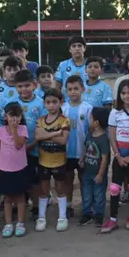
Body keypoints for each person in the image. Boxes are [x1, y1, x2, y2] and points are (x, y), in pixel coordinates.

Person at [102, 79, 129, 233]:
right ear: (119, 95)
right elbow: (113, 137)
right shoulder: (115, 112)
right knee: (115, 188)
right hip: (120, 157)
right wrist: (118, 156)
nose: (127, 96)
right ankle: (113, 219)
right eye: (123, 93)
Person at [35, 88, 70, 231]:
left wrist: (46, 134)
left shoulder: (64, 120)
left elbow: (63, 141)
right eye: (48, 102)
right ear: (44, 103)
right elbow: (37, 137)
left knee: (60, 189)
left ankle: (62, 217)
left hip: (59, 161)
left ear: (60, 102)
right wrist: (55, 133)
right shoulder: (41, 120)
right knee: (44, 190)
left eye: (54, 102)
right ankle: (41, 217)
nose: (51, 105)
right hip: (44, 161)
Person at [15, 69, 47, 221]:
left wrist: (33, 144)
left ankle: (36, 208)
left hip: (35, 148)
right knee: (18, 178)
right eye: (20, 86)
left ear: (34, 85)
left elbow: (43, 127)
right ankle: (17, 206)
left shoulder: (41, 103)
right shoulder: (13, 104)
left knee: (35, 180)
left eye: (27, 85)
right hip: (16, 149)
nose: (23, 89)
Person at [0, 103, 30, 238]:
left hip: (20, 167)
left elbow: (19, 144)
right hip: (4, 168)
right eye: (11, 116)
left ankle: (20, 223)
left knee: (20, 197)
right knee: (7, 197)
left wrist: (14, 130)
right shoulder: (0, 130)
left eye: (17, 116)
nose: (13, 119)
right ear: (6, 117)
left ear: (20, 118)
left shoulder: (23, 129)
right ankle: (8, 224)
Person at [62, 76, 92, 221]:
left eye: (76, 89)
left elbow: (91, 132)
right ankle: (68, 205)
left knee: (84, 179)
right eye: (70, 89)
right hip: (66, 153)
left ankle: (86, 207)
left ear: (82, 89)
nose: (73, 92)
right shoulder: (63, 109)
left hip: (83, 152)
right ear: (66, 91)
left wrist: (86, 153)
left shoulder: (88, 109)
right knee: (67, 180)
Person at [79, 107, 110, 227]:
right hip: (87, 171)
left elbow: (105, 159)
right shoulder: (90, 134)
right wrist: (82, 159)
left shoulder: (103, 139)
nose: (89, 119)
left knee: (99, 195)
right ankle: (87, 213)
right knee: (86, 194)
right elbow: (86, 148)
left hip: (97, 173)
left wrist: (101, 174)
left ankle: (98, 215)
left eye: (91, 118)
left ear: (96, 122)